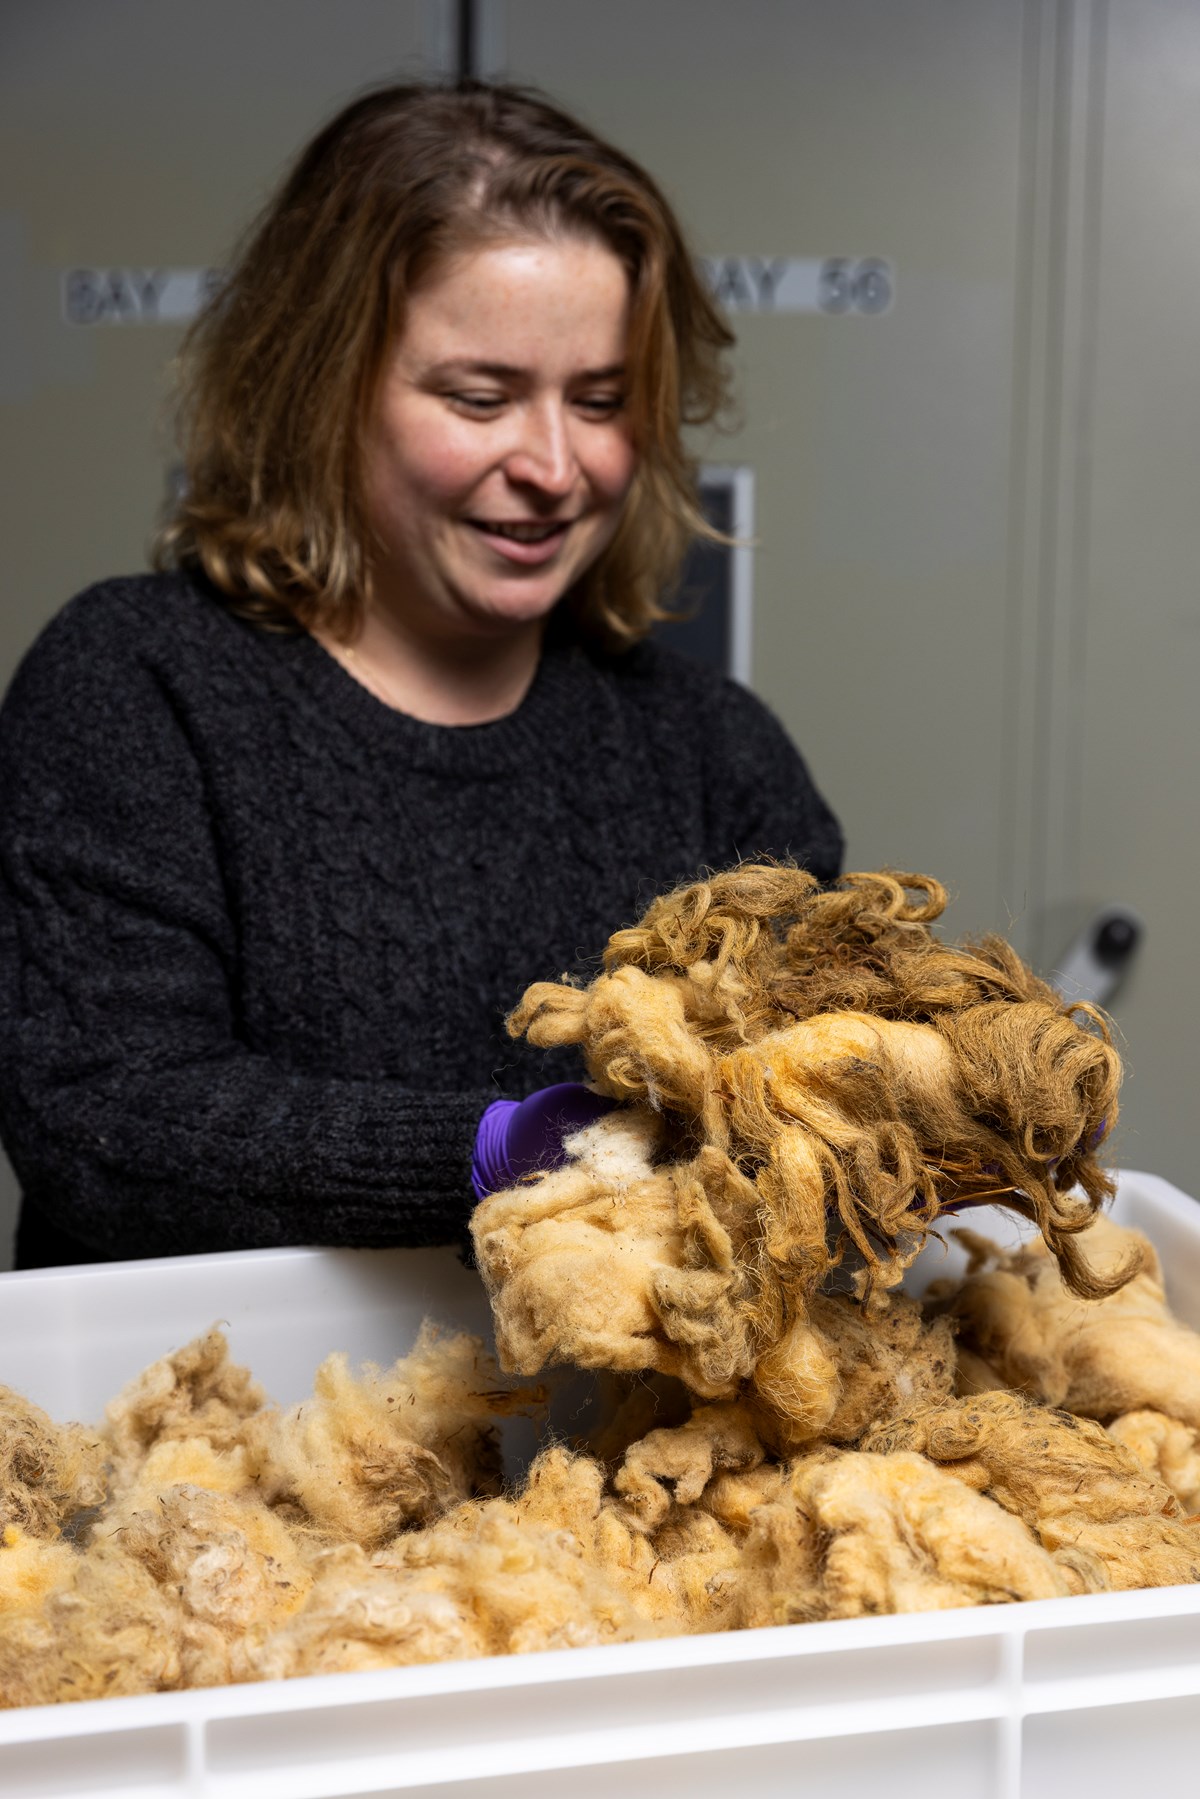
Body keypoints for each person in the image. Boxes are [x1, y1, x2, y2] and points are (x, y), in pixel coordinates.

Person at [0, 81, 842, 1271]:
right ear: (322, 390)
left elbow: (815, 1097)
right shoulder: (135, 688)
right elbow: (107, 1122)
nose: (554, 465)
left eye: (600, 402)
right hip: (217, 1426)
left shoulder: (715, 749)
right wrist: (507, 1151)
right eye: (480, 396)